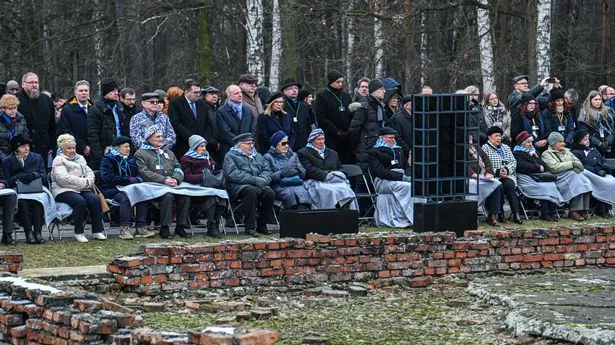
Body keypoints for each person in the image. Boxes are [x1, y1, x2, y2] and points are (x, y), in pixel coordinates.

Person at [135, 126, 190, 239]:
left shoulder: (168, 152)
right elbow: (144, 172)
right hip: (153, 186)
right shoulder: (140, 154)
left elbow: (178, 167)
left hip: (172, 184)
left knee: (185, 196)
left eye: (162, 136)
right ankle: (164, 228)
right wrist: (163, 180)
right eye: (157, 136)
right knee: (168, 197)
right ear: (149, 138)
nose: (161, 139)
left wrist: (176, 178)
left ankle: (180, 226)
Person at [51, 134, 105, 243]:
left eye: (73, 148)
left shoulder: (80, 158)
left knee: (94, 199)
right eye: (69, 148)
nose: (72, 150)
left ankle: (97, 231)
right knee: (79, 201)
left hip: (81, 188)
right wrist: (84, 182)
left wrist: (88, 181)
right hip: (63, 190)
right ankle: (79, 232)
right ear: (62, 148)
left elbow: (89, 172)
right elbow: (63, 179)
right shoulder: (58, 160)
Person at [100, 136, 155, 240]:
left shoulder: (130, 159)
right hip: (111, 188)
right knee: (125, 198)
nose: (128, 149)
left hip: (128, 187)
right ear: (117, 148)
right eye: (125, 147)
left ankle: (140, 227)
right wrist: (129, 180)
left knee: (143, 196)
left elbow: (136, 173)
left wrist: (137, 178)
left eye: (129, 146)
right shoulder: (108, 159)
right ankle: (125, 229)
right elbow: (107, 177)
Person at [223, 133, 274, 237]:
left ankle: (262, 225)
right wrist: (254, 180)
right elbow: (232, 174)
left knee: (270, 193)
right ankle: (249, 227)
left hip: (258, 185)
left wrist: (263, 179)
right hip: (237, 187)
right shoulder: (230, 156)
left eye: (252, 143)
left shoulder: (257, 156)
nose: (252, 146)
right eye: (248, 144)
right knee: (251, 191)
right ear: (239, 145)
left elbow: (267, 170)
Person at [297, 129, 356, 209]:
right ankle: (331, 215)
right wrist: (327, 175)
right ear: (312, 140)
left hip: (335, 180)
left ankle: (345, 214)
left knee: (346, 190)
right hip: (316, 181)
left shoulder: (333, 153)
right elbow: (309, 170)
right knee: (331, 191)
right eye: (318, 139)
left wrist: (338, 175)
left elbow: (340, 168)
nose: (321, 141)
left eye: (323, 139)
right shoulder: (303, 153)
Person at [180, 135, 226, 238]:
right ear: (194, 147)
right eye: (201, 146)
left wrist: (213, 176)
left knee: (222, 197)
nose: (204, 149)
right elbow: (186, 176)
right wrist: (204, 177)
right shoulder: (186, 159)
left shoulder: (208, 158)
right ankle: (211, 226)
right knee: (212, 198)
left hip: (209, 187)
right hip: (195, 190)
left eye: (204, 146)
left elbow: (213, 171)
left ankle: (215, 223)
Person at [1, 134, 45, 244]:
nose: (26, 149)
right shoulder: (8, 161)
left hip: (36, 188)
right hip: (18, 189)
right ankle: (28, 232)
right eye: (22, 147)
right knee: (22, 201)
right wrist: (19, 177)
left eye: (27, 146)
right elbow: (6, 179)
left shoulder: (37, 157)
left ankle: (38, 232)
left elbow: (44, 175)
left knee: (38, 200)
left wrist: (34, 175)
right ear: (16, 149)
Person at [513, 131, 564, 221]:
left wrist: (539, 167)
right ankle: (545, 213)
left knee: (551, 185)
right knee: (544, 188)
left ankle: (552, 212)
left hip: (536, 177)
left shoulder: (533, 152)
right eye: (528, 142)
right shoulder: (517, 153)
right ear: (522, 143)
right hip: (525, 179)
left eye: (531, 142)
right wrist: (537, 167)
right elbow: (521, 166)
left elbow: (541, 164)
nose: (530, 144)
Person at [367, 127, 414, 227]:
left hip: (400, 178)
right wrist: (401, 177)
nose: (393, 140)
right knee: (407, 187)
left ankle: (414, 218)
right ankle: (411, 218)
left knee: (415, 185)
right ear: (381, 138)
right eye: (390, 138)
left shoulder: (398, 150)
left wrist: (409, 176)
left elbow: (406, 167)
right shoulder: (374, 152)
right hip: (383, 181)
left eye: (394, 138)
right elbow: (380, 171)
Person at [541, 132, 592, 221]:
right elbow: (554, 167)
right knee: (578, 180)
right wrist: (572, 164)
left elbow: (578, 162)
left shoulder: (567, 151)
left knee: (584, 179)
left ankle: (583, 209)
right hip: (559, 179)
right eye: (560, 142)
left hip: (571, 177)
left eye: (563, 141)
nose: (563, 144)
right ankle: (574, 210)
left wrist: (576, 166)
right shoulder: (546, 154)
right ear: (553, 144)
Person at [481, 126, 523, 224]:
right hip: (493, 177)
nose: (498, 138)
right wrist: (497, 171)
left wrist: (507, 170)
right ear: (489, 137)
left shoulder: (506, 147)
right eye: (496, 136)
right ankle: (499, 213)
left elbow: (513, 161)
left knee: (510, 185)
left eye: (500, 136)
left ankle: (516, 213)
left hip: (507, 175)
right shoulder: (485, 148)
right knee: (498, 186)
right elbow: (483, 165)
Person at [570, 130, 615, 218]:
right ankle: (600, 210)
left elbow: (602, 159)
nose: (588, 141)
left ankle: (607, 207)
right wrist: (595, 170)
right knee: (603, 183)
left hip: (600, 173)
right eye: (585, 139)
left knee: (612, 181)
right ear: (579, 140)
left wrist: (605, 167)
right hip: (588, 174)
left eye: (588, 139)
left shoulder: (593, 148)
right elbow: (580, 165)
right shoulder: (575, 151)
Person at [168, 79, 218, 158]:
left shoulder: (202, 104)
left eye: (199, 92)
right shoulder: (176, 103)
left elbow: (208, 123)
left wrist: (204, 139)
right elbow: (175, 123)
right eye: (195, 92)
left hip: (202, 146)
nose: (198, 95)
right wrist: (193, 138)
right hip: (184, 146)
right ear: (186, 92)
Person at [263, 130, 311, 210]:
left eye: (287, 143)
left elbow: (303, 171)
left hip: (297, 183)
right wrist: (282, 174)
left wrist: (297, 171)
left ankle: (301, 217)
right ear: (276, 145)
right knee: (290, 196)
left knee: (304, 194)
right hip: (280, 186)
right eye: (283, 143)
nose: (287, 146)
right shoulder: (267, 157)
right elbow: (268, 175)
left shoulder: (293, 155)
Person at [87, 78, 129, 169]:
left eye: (117, 90)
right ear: (106, 92)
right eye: (113, 90)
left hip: (121, 150)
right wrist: (99, 157)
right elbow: (93, 134)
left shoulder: (119, 108)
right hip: (105, 151)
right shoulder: (95, 110)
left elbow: (124, 130)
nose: (116, 93)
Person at [313, 70, 354, 163]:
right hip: (330, 137)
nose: (340, 84)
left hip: (346, 137)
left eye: (341, 82)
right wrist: (337, 132)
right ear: (331, 82)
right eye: (338, 82)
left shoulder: (346, 96)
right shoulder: (321, 96)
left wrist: (349, 131)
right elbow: (321, 118)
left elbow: (351, 115)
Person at [16, 72, 56, 167]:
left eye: (36, 82)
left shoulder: (46, 100)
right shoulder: (16, 99)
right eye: (31, 82)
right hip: (22, 148)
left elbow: (52, 126)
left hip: (43, 147)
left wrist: (52, 146)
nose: (34, 85)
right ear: (23, 84)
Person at [348, 79, 387, 171]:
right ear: (374, 91)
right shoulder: (363, 107)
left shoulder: (380, 106)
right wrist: (357, 146)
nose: (384, 91)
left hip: (377, 147)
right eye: (381, 89)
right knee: (364, 175)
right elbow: (354, 130)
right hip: (365, 148)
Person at [467, 134, 503, 226]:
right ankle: (471, 214)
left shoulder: (476, 147)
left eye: (471, 136)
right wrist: (473, 174)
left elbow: (487, 161)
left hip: (482, 176)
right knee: (473, 185)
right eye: (468, 136)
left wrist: (489, 173)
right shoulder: (458, 148)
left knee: (497, 184)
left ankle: (492, 215)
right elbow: (461, 164)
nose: (470, 138)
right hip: (468, 178)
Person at [59, 80, 93, 167]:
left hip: (93, 150)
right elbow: (66, 130)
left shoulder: (93, 108)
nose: (84, 93)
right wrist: (83, 146)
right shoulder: (67, 109)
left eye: (86, 91)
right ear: (75, 92)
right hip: (75, 151)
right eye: (81, 91)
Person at [216, 85, 254, 156]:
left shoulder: (248, 110)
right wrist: (240, 146)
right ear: (229, 96)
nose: (240, 95)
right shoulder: (221, 111)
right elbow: (226, 132)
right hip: (230, 150)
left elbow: (253, 129)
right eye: (236, 93)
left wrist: (248, 143)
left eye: (240, 92)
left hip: (248, 149)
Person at [576, 90, 614, 156]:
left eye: (599, 99)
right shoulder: (584, 114)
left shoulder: (608, 112)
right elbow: (584, 132)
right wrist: (599, 143)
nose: (598, 102)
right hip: (593, 145)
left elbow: (612, 129)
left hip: (609, 144)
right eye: (595, 99)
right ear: (590, 100)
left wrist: (607, 142)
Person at [281, 78, 314, 151]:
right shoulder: (281, 105)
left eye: (296, 88)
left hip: (303, 143)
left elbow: (309, 126)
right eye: (291, 88)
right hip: (287, 144)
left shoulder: (304, 106)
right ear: (285, 91)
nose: (294, 90)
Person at [0, 94, 29, 160]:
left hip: (18, 157)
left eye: (15, 108)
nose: (13, 111)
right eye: (10, 109)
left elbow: (25, 138)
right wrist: (4, 158)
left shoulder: (21, 119)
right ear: (4, 109)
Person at [389, 94, 412, 161]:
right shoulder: (397, 118)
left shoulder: (417, 116)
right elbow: (397, 137)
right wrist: (408, 150)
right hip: (403, 155)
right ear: (407, 105)